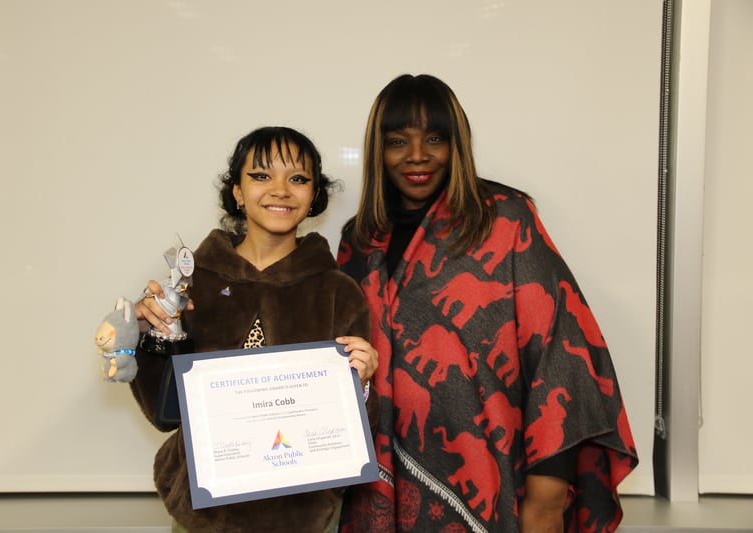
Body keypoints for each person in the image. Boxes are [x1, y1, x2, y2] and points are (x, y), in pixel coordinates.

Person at [336, 74, 638, 532]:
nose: (417, 156)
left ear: (458, 144)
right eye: (398, 141)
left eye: (434, 138)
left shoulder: (504, 219)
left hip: (501, 481)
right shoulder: (359, 241)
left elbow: (560, 349)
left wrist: (548, 488)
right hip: (379, 484)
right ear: (378, 151)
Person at [131, 126, 379, 532]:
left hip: (302, 516)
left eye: (297, 179)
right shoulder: (191, 282)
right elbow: (166, 416)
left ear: (314, 195)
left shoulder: (338, 291)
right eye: (261, 176)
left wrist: (363, 383)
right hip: (201, 514)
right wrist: (150, 336)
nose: (280, 190)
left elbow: (354, 430)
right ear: (237, 192)